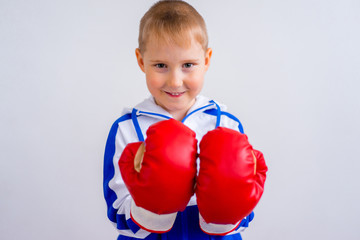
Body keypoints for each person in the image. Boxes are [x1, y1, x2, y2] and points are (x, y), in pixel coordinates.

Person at [103, 1, 268, 239]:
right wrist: (153, 205)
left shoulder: (227, 125)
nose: (175, 81)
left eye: (188, 65)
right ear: (141, 61)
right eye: (161, 65)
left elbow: (245, 210)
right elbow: (116, 213)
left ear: (207, 59)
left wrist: (225, 212)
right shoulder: (126, 128)